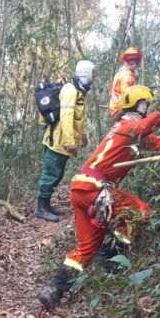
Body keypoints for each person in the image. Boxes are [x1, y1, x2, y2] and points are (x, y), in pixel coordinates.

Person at [38, 80, 160, 310]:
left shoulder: (131, 132)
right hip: (94, 188)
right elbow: (153, 122)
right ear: (139, 106)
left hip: (82, 189)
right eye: (146, 105)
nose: (148, 109)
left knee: (88, 247)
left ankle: (54, 289)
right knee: (141, 211)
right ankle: (112, 255)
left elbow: (159, 143)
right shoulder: (127, 127)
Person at [35, 60, 96, 222]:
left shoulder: (81, 92)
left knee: (57, 174)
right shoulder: (70, 90)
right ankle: (41, 208)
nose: (94, 76)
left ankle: (47, 206)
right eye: (93, 72)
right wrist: (70, 141)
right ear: (86, 73)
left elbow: (79, 118)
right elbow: (66, 117)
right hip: (57, 142)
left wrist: (83, 136)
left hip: (64, 142)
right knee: (50, 174)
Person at [108, 47, 143, 116]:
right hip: (121, 109)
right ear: (125, 61)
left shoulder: (124, 72)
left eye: (134, 60)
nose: (133, 62)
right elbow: (127, 95)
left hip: (119, 108)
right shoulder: (126, 75)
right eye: (130, 60)